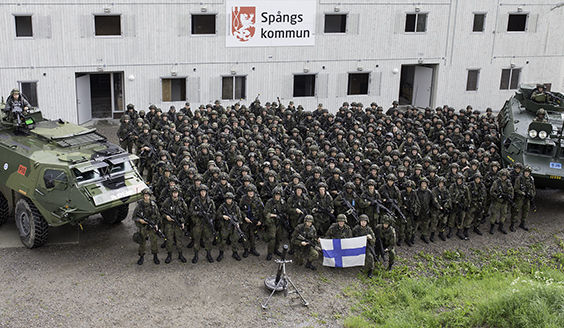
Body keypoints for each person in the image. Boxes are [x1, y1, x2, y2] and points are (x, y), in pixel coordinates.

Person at [132, 188, 162, 265]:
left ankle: (155, 256)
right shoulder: (139, 206)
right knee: (142, 242)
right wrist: (140, 220)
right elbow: (134, 217)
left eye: (148, 196)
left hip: (152, 227)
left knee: (154, 242)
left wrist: (156, 225)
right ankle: (141, 256)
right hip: (143, 227)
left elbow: (158, 216)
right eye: (145, 196)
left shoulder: (153, 205)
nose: (146, 197)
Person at [188, 184, 217, 263]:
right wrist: (197, 214)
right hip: (198, 223)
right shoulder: (195, 200)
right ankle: (196, 255)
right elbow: (190, 211)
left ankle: (208, 254)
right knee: (196, 239)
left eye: (204, 191)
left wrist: (211, 219)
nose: (203, 193)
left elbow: (214, 213)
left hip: (207, 224)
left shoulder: (210, 201)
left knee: (208, 239)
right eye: (201, 191)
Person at [160, 185, 188, 263]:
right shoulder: (167, 201)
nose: (175, 194)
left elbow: (186, 212)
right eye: (173, 193)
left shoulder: (181, 201)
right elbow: (162, 211)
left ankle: (180, 255)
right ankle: (169, 255)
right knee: (169, 240)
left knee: (179, 240)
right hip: (169, 224)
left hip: (178, 223)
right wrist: (166, 216)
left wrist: (182, 222)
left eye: (176, 193)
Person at [216, 192, 243, 261]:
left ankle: (235, 253)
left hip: (233, 227)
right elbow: (216, 215)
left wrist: (237, 223)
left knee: (234, 240)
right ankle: (221, 253)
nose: (229, 200)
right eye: (227, 199)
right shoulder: (222, 207)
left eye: (230, 199)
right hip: (225, 226)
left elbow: (240, 217)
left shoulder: (236, 207)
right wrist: (223, 216)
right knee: (223, 240)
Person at [263, 187, 286, 260]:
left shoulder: (282, 202)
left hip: (280, 222)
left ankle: (276, 249)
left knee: (279, 237)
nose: (278, 197)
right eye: (276, 195)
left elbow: (285, 210)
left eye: (279, 195)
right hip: (272, 222)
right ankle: (270, 253)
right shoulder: (270, 202)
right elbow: (265, 213)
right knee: (272, 238)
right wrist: (275, 215)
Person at [511, 165, 535, 232]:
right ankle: (512, 223)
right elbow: (515, 188)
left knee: (526, 210)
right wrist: (521, 193)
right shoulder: (519, 178)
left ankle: (522, 223)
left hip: (527, 198)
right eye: (526, 172)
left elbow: (533, 189)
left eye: (528, 172)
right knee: (516, 210)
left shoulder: (531, 179)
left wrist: (532, 195)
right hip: (520, 198)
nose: (527, 173)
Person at [489, 169, 514, 234]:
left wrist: (510, 198)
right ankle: (492, 227)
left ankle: (501, 226)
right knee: (493, 214)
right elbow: (491, 191)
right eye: (502, 176)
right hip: (497, 201)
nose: (504, 177)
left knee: (503, 214)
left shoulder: (508, 183)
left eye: (505, 176)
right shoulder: (496, 182)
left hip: (504, 202)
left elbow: (511, 191)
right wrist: (497, 196)